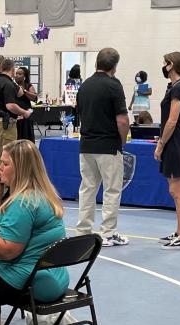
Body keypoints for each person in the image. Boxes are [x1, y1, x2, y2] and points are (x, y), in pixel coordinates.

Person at [0, 140, 69, 325]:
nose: (0, 167)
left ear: (21, 168)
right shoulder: (42, 193)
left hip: (31, 282)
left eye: (5, 164)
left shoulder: (23, 203)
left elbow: (8, 250)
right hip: (54, 276)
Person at [75, 48, 130, 247]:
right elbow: (122, 120)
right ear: (114, 66)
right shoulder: (114, 85)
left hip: (86, 144)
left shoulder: (85, 86)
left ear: (97, 63)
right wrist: (122, 142)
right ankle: (107, 233)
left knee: (87, 189)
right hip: (108, 145)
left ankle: (83, 231)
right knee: (112, 190)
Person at [156, 52, 180, 250]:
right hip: (171, 141)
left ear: (171, 65)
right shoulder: (173, 87)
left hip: (174, 142)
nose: (163, 65)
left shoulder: (179, 89)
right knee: (174, 190)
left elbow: (172, 120)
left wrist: (161, 143)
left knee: (177, 191)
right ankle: (179, 231)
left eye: (165, 63)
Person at [0, 59, 33, 166]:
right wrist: (24, 112)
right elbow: (10, 105)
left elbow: (19, 93)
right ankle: (4, 180)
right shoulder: (8, 84)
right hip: (6, 124)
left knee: (0, 153)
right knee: (7, 154)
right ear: (12, 70)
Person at [14, 66, 39, 142]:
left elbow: (34, 98)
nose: (17, 75)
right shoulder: (12, 85)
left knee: (26, 135)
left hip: (26, 114)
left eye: (20, 74)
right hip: (16, 114)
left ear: (24, 76)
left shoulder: (29, 86)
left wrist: (24, 91)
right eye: (16, 73)